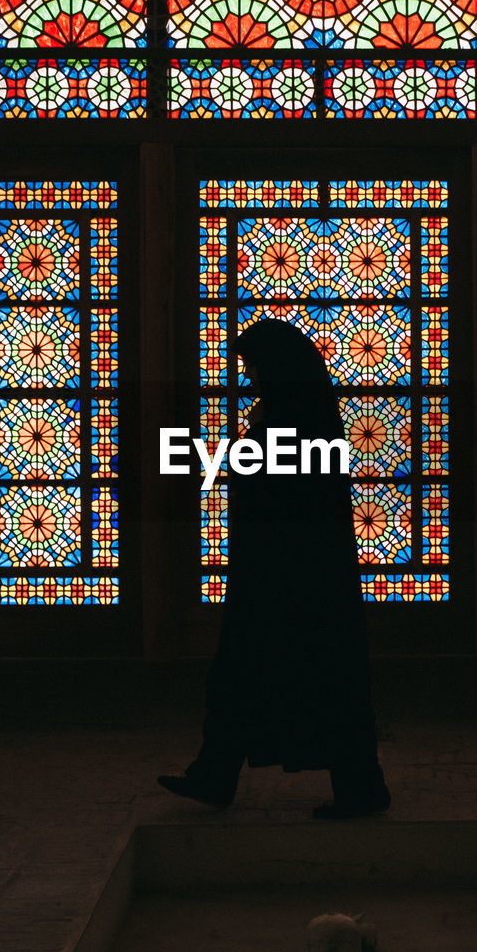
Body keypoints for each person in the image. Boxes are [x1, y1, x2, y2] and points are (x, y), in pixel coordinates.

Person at [158, 319, 391, 819]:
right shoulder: (303, 413)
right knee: (265, 677)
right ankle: (217, 774)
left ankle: (225, 775)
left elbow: (280, 484)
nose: (251, 379)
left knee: (267, 675)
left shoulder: (295, 418)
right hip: (291, 572)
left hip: (288, 576)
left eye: (254, 367)